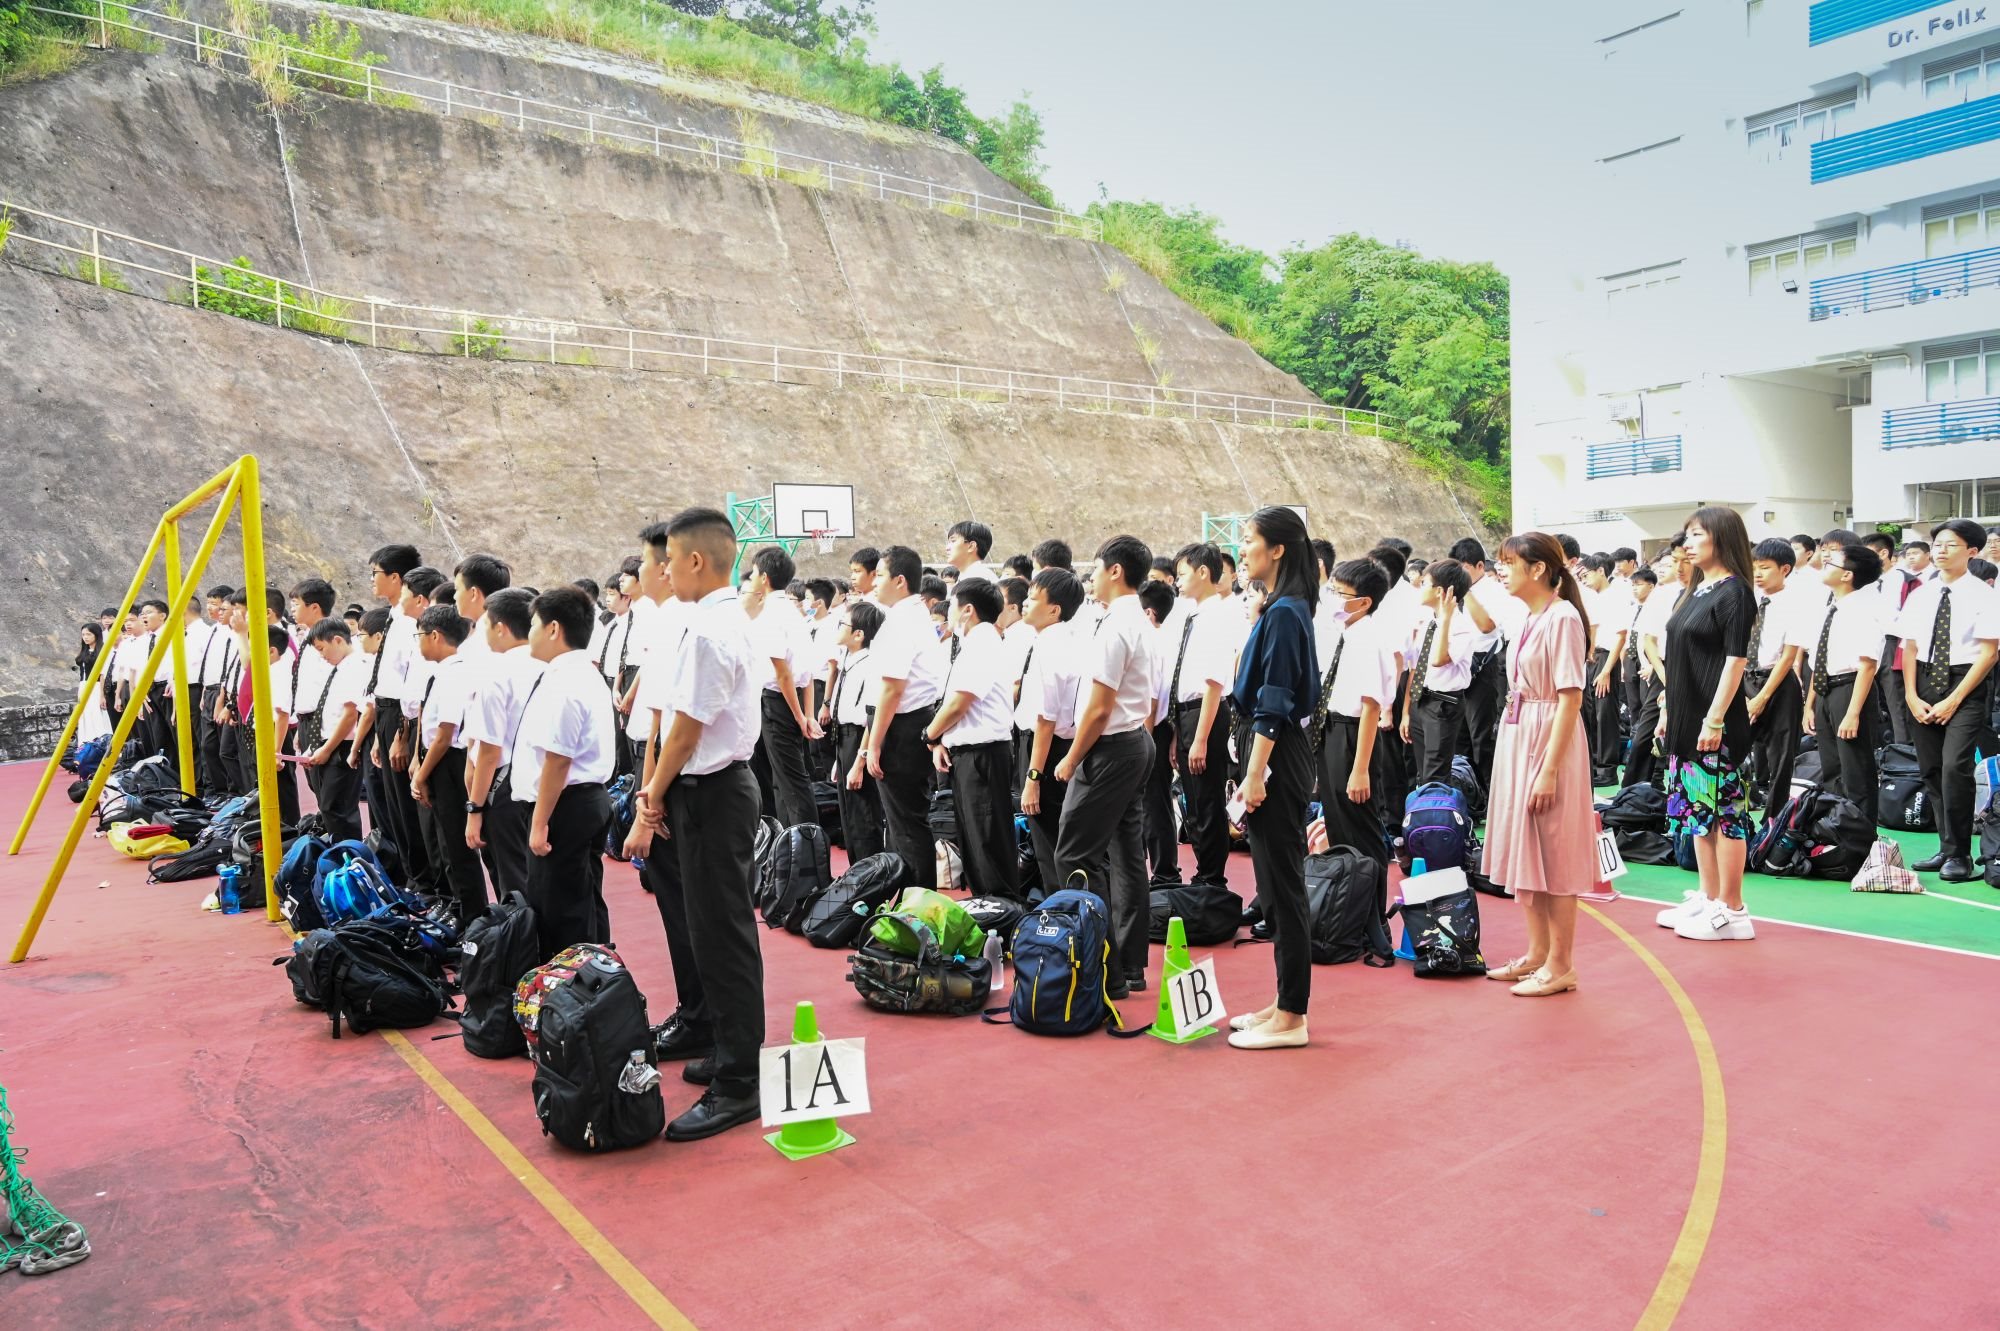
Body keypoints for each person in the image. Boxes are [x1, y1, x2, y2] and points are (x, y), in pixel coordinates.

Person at [630, 506, 767, 1143]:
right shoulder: (716, 620)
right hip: (706, 789)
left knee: (723, 936)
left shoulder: (711, 630)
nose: (662, 571)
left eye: (667, 561)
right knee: (710, 932)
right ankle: (725, 1047)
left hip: (712, 790)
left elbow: (685, 731)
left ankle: (740, 1081)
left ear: (693, 560)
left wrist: (651, 797)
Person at [1221, 507, 1321, 1050]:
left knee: (1283, 887)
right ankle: (1284, 1002)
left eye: (1250, 539)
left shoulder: (1286, 612)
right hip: (1268, 752)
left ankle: (1293, 1015)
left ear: (1277, 549)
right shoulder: (1282, 607)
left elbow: (1275, 701)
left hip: (1274, 754)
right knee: (1274, 884)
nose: (1242, 549)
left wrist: (1256, 771)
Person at [1482, 533, 1594, 994]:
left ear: (1539, 569)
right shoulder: (1531, 616)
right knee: (1526, 844)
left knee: (1554, 849)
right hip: (1520, 731)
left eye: (1509, 563)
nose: (1501, 571)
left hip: (1549, 738)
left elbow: (1570, 698)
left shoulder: (1563, 618)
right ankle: (1537, 953)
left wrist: (1549, 767)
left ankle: (1561, 964)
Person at [1054, 535, 1162, 998]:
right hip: (1133, 740)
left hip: (1111, 746)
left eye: (1096, 568)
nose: (1091, 577)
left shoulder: (1117, 625)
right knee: (1125, 856)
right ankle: (1129, 965)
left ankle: (1105, 967)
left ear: (1115, 571)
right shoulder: (1138, 620)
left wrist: (1071, 758)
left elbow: (1099, 710)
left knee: (1074, 855)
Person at [1651, 508, 1760, 942]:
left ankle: (1733, 910)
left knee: (1724, 814)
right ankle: (1708, 895)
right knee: (1698, 813)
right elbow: (1682, 660)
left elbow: (1735, 662)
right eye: (1687, 535)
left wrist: (1714, 720)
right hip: (1686, 721)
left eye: (1697, 534)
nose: (1688, 543)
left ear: (1722, 538)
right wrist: (1668, 710)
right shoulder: (1697, 589)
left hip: (1716, 725)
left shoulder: (1736, 593)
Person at [510, 586, 616, 960]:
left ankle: (570, 984)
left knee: (560, 909)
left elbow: (558, 760)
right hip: (582, 799)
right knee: (585, 900)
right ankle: (596, 975)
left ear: (554, 629)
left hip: (564, 805)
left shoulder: (565, 680)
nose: (530, 633)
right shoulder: (582, 673)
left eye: (534, 624)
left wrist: (539, 823)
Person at [1898, 518, 2000, 882]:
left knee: (1956, 766)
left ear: (1972, 551)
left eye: (1950, 544)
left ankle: (1960, 854)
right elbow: (1909, 648)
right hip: (1923, 681)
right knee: (1931, 768)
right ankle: (1946, 846)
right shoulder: (1921, 594)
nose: (1940, 550)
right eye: (1937, 544)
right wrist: (1911, 695)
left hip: (1965, 683)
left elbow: (1989, 653)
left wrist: (1954, 700)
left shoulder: (1985, 595)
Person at [924, 578, 1019, 901]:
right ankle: (988, 907)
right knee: (976, 841)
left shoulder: (982, 643)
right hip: (971, 753)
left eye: (952, 605)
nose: (947, 612)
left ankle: (1000, 911)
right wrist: (941, 741)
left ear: (967, 610)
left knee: (987, 842)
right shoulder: (976, 641)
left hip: (983, 754)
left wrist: (930, 735)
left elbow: (959, 703)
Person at [863, 546, 949, 888]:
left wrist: (874, 744)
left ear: (900, 581)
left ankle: (917, 903)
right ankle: (911, 898)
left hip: (901, 727)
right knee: (906, 823)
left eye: (880, 575)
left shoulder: (901, 622)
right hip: (911, 723)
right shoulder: (912, 616)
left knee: (907, 825)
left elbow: (892, 689)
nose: (874, 582)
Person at [1309, 559, 1398, 882]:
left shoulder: (1367, 638)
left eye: (1339, 593)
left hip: (1352, 735)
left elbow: (1371, 707)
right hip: (1332, 729)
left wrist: (1360, 770)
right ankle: (1350, 901)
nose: (1332, 597)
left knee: (1359, 826)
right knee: (1338, 824)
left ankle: (1372, 906)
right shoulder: (1347, 633)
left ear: (1363, 602)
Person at [1169, 543, 1246, 891]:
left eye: (1182, 573)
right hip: (1188, 715)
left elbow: (1214, 682)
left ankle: (1212, 878)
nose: (1178, 581)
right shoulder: (1195, 614)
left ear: (1203, 572)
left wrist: (1200, 739)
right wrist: (1178, 733)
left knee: (1207, 799)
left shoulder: (1217, 615)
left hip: (1206, 713)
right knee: (1194, 801)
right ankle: (1204, 873)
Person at [410, 604, 488, 924]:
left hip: (450, 762)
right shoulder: (442, 672)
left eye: (419, 635)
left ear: (435, 635)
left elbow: (445, 734)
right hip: (437, 760)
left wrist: (421, 775)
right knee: (443, 844)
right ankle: (456, 907)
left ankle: (472, 918)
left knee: (457, 847)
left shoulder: (456, 673)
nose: (418, 641)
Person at [1803, 542, 1888, 816]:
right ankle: (1836, 827)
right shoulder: (1829, 607)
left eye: (1831, 562)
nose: (1824, 562)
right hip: (1825, 689)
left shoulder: (1864, 608)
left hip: (1850, 689)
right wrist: (1809, 705)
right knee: (1831, 767)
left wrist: (1853, 714)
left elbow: (1868, 666)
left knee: (1856, 768)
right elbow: (1818, 660)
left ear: (1847, 575)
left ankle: (1862, 833)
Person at [1016, 567, 1086, 896]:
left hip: (1045, 748)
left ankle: (1063, 911)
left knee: (1050, 842)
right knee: (1054, 839)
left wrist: (1033, 778)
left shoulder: (1052, 645)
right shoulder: (1057, 640)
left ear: (1054, 609)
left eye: (1033, 598)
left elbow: (1046, 718)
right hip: (1051, 746)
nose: (1025, 603)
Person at [743, 547, 820, 828]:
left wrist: (801, 716)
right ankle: (786, 840)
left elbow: (783, 673)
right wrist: (806, 714)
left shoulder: (772, 613)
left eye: (753, 573)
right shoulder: (789, 611)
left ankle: (806, 844)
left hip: (779, 701)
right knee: (780, 780)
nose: (751, 579)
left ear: (764, 577)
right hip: (784, 700)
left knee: (791, 782)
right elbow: (806, 672)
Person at [1743, 540, 1810, 824]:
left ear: (1785, 569)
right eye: (1754, 568)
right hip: (1745, 679)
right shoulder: (1746, 599)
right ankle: (1734, 813)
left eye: (1765, 568)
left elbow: (1788, 656)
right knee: (1731, 749)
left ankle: (1773, 822)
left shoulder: (1796, 603)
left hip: (1779, 683)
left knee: (1781, 758)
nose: (1758, 574)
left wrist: (1762, 698)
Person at [1401, 557, 1475, 788]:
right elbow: (1416, 667)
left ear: (1440, 591)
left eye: (1424, 583)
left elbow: (1438, 659)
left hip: (1443, 705)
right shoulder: (1427, 620)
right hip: (1421, 700)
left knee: (1435, 774)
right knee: (1421, 772)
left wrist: (1446, 619)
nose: (1419, 588)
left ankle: (1437, 810)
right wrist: (1406, 712)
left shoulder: (1460, 626)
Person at [302, 619, 369, 846]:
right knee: (329, 807)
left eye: (322, 648)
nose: (322, 655)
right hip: (329, 742)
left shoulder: (354, 667)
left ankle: (348, 857)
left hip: (341, 746)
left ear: (338, 640)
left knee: (337, 808)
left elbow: (350, 715)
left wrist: (327, 748)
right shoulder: (340, 668)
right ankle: (339, 853)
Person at [832, 601, 887, 862]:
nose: (838, 628)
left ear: (858, 634)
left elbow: (870, 718)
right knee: (849, 816)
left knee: (864, 816)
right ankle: (857, 873)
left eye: (842, 624)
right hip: (844, 739)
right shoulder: (849, 660)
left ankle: (870, 874)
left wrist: (859, 760)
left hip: (859, 739)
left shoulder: (870, 664)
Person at [1136, 578, 1183, 887]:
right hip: (1157, 729)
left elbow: (1152, 700)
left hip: (1150, 730)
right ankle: (1163, 870)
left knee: (1154, 805)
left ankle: (1164, 872)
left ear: (1149, 612)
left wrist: (1145, 741)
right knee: (1154, 804)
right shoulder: (1163, 640)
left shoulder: (1152, 643)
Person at [1578, 555, 1629, 786]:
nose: (1584, 580)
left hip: (1606, 658)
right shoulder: (1596, 598)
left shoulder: (1615, 597)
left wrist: (1607, 670)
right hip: (1593, 657)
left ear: (1600, 571)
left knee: (1605, 714)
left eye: (1587, 574)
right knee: (1592, 714)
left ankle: (1607, 770)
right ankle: (1596, 765)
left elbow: (1620, 636)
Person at [944, 520, 998, 586]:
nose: (947, 548)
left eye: (953, 541)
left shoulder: (979, 580)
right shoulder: (967, 576)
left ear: (971, 546)